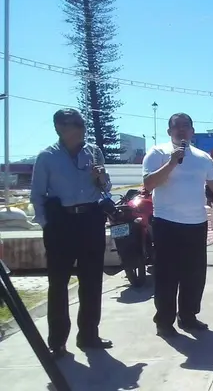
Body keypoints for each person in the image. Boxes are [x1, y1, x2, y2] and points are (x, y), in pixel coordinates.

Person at [143, 113, 213, 337]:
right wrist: (171, 162)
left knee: (194, 276)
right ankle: (164, 321)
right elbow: (149, 184)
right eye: (176, 127)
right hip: (166, 224)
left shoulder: (203, 158)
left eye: (186, 126)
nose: (181, 130)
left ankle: (188, 316)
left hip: (196, 225)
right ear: (169, 132)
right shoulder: (157, 153)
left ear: (192, 131)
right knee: (167, 276)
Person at [30, 109, 113, 357]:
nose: (80, 128)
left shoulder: (93, 152)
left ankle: (88, 335)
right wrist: (47, 225)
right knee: (58, 284)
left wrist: (101, 177)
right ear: (59, 128)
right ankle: (57, 341)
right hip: (61, 225)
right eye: (74, 124)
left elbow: (105, 187)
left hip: (90, 221)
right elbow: (37, 195)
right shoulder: (46, 157)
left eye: (81, 123)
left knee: (92, 281)